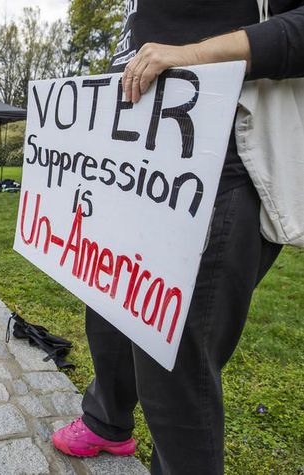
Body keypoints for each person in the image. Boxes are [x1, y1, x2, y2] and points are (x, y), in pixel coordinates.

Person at [51, 2, 304, 474]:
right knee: (107, 300)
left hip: (219, 156)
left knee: (171, 357)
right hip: (132, 155)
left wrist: (194, 54)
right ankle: (107, 420)